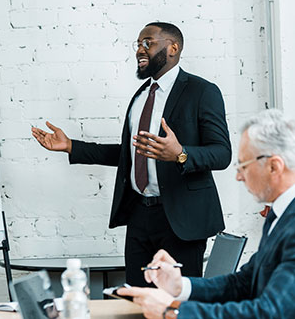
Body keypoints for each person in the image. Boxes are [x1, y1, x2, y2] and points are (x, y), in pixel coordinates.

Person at [32, 22, 231, 286]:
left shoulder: (202, 91)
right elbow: (129, 155)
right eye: (138, 44)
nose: (140, 50)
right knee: (136, 299)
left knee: (176, 305)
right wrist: (72, 146)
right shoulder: (141, 97)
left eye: (147, 42)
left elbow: (222, 153)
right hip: (140, 216)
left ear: (173, 48)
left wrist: (181, 154)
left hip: (181, 221)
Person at [118, 108, 295, 318]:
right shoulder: (280, 215)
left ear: (274, 167)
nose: (238, 177)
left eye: (243, 166)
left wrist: (172, 311)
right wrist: (179, 286)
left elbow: (270, 313)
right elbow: (244, 283)